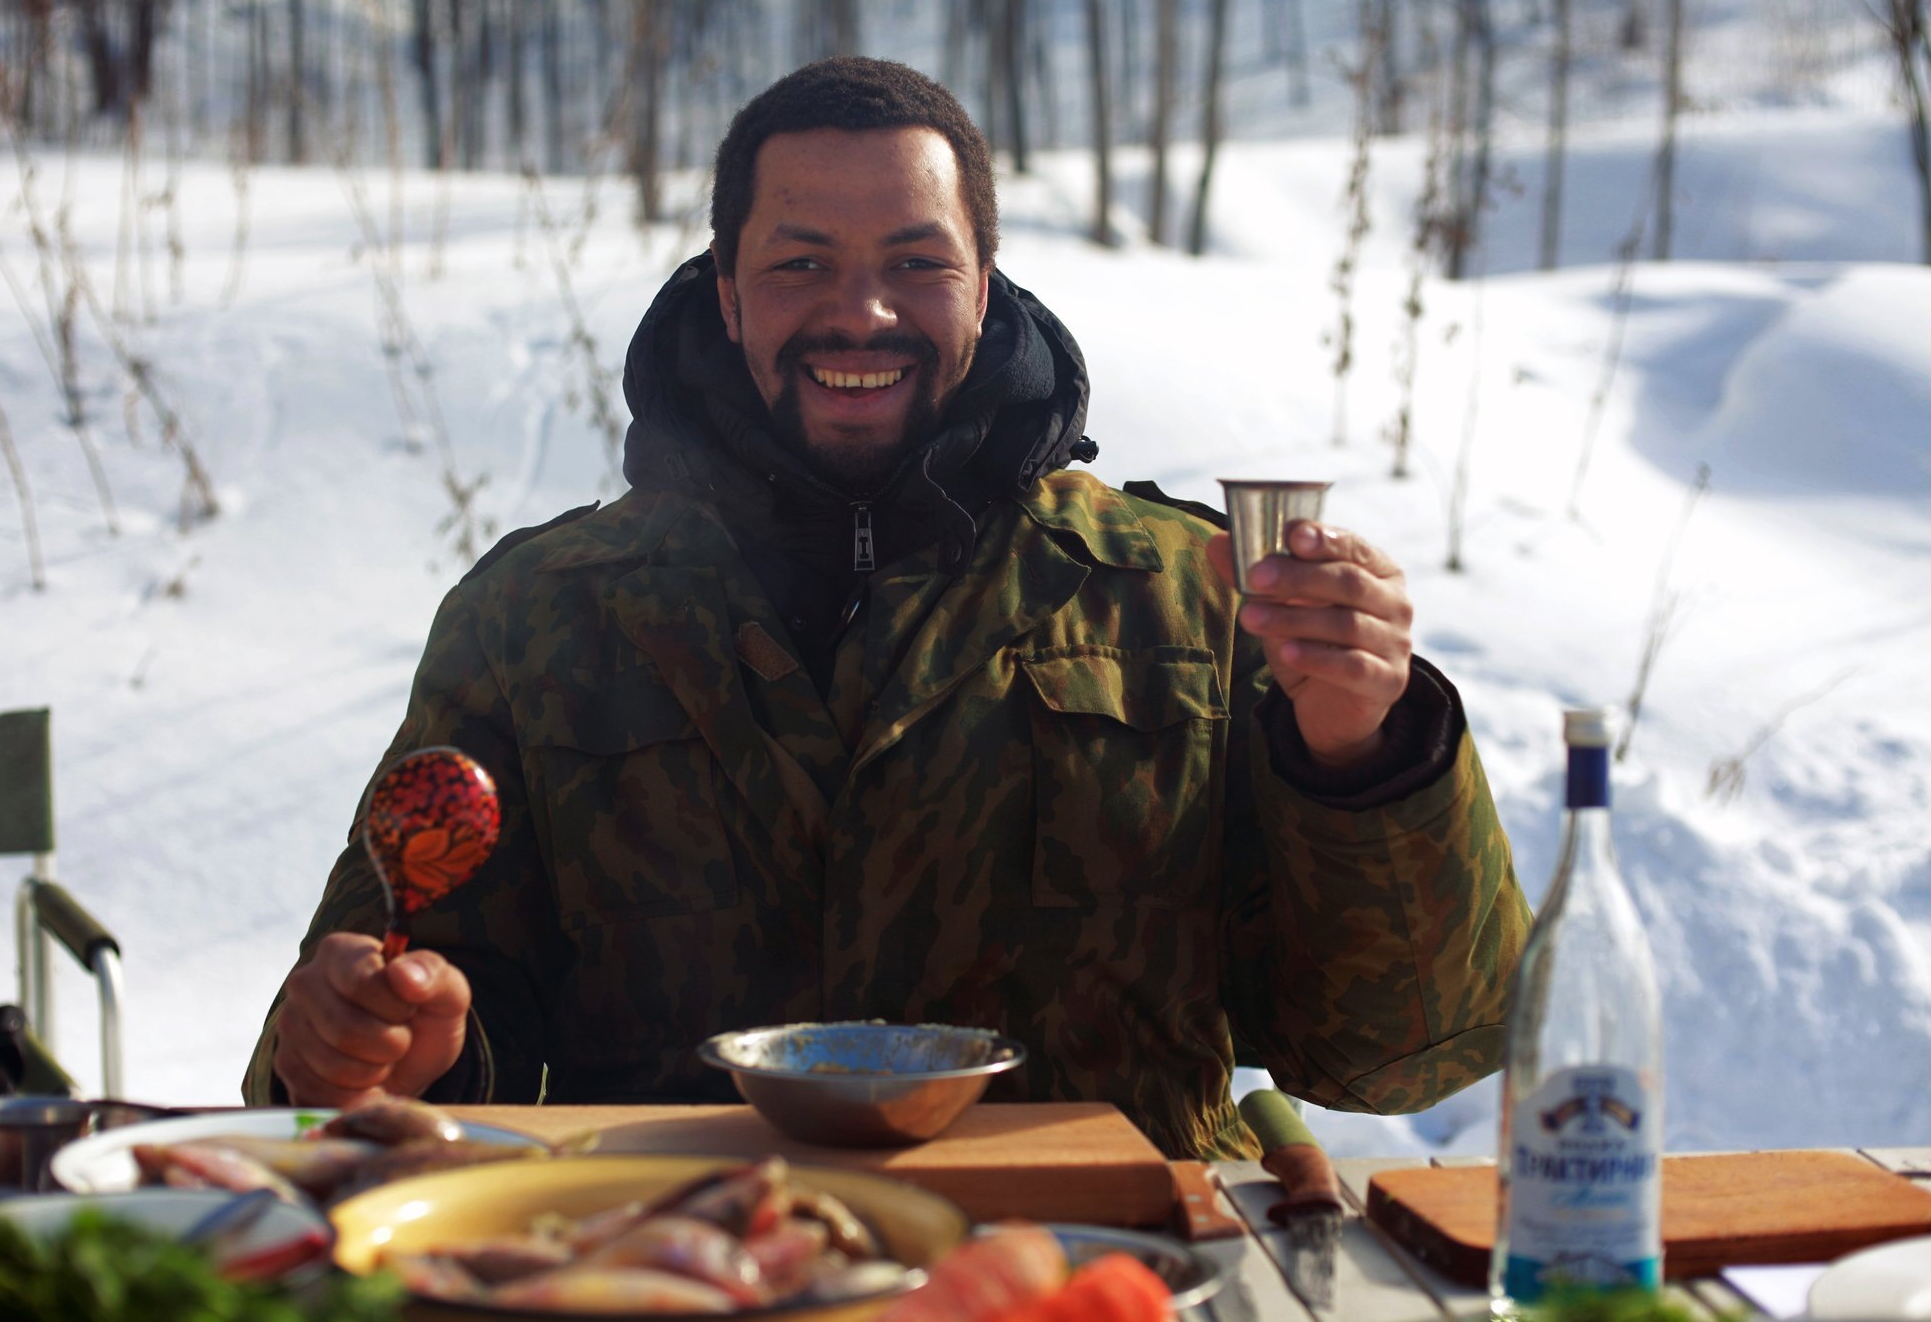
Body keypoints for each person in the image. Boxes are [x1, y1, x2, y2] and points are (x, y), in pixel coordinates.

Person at [245, 57, 1529, 1161]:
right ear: (727, 292)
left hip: (1101, 1273)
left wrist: (1365, 754)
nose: (859, 313)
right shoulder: (538, 621)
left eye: (916, 263)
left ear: (983, 284)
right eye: (800, 262)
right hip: (682, 1264)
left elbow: (1406, 1053)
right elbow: (352, 1050)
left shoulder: (1184, 600)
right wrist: (369, 1044)